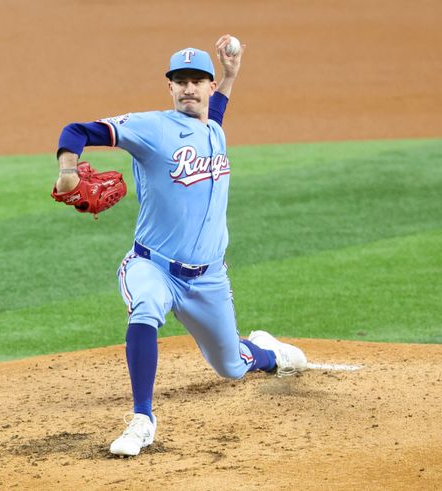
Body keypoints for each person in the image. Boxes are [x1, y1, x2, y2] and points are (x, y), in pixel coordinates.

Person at [53, 35, 308, 457]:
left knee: (231, 366)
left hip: (209, 279)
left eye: (197, 80)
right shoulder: (151, 128)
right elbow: (77, 130)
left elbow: (214, 115)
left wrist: (230, 76)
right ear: (169, 86)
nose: (189, 88)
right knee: (146, 307)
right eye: (180, 80)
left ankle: (268, 352)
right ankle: (142, 418)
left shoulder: (213, 129)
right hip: (153, 267)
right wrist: (67, 169)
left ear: (207, 87)